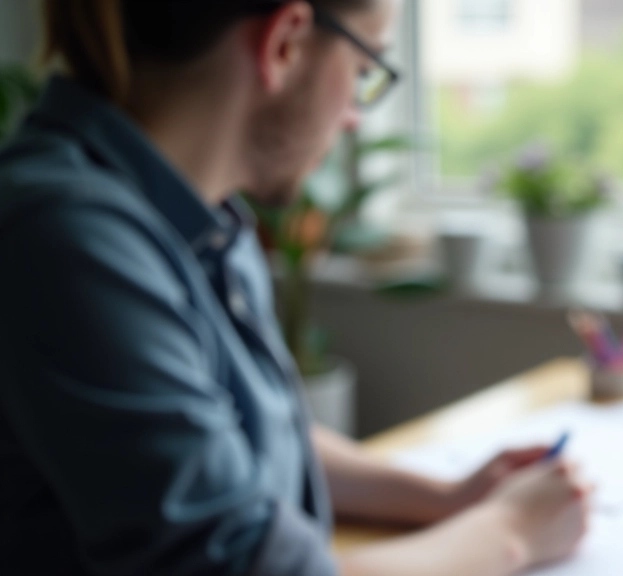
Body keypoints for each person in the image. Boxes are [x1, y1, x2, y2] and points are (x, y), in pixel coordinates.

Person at [0, 1, 590, 575]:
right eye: (363, 71)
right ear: (285, 42)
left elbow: (234, 441)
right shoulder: (65, 237)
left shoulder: (202, 216)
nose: (355, 116)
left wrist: (443, 497)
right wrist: (509, 535)